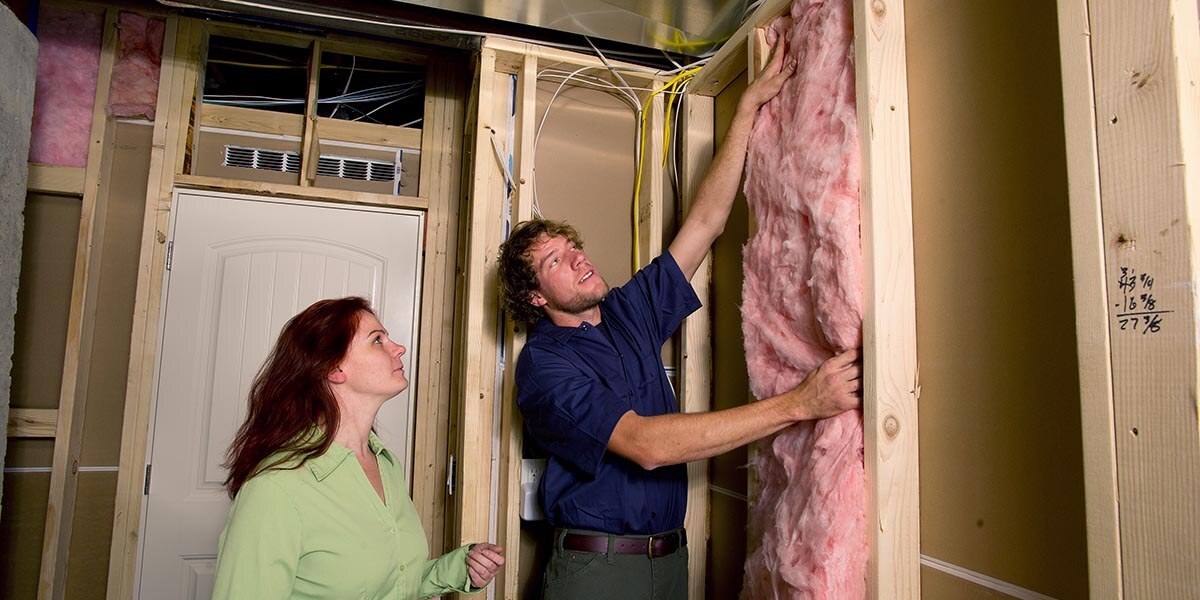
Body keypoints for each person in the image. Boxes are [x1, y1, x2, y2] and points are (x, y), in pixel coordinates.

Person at [496, 38, 862, 600]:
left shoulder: (624, 313)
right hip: (598, 572)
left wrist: (747, 110)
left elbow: (707, 224)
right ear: (536, 298)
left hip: (669, 561)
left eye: (572, 244)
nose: (577, 256)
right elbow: (646, 444)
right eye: (555, 260)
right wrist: (801, 404)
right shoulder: (544, 367)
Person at [212, 296, 505, 599]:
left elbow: (393, 584)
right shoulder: (276, 488)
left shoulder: (385, 464)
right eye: (377, 340)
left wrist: (459, 567)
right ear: (333, 369)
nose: (398, 348)